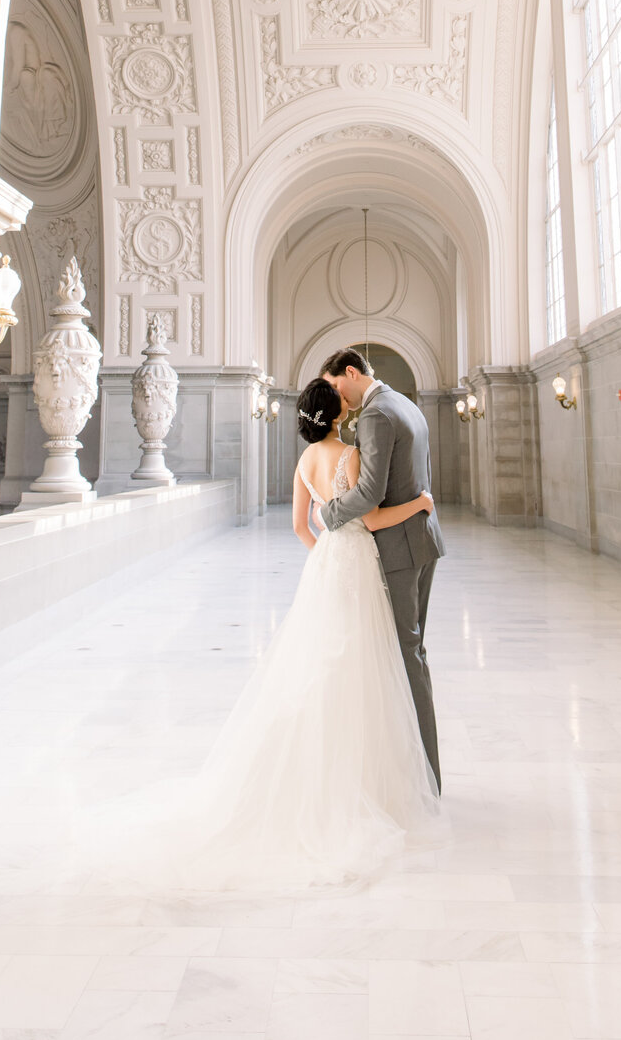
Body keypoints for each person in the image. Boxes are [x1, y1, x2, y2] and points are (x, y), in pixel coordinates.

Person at [102, 376, 441, 893]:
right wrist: (417, 506)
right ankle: (369, 780)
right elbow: (370, 518)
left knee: (321, 666)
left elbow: (302, 528)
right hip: (360, 564)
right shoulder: (348, 455)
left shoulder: (305, 462)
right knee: (367, 667)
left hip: (327, 569)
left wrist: (327, 559)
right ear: (335, 415)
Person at [318, 348, 445, 789]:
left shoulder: (375, 415)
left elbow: (370, 493)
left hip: (398, 549)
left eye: (336, 386)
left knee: (405, 657)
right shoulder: (404, 404)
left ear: (351, 372)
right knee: (410, 652)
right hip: (422, 539)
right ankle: (418, 769)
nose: (338, 397)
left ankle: (424, 777)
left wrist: (329, 514)